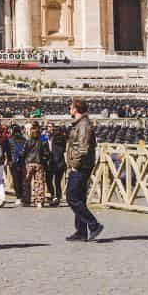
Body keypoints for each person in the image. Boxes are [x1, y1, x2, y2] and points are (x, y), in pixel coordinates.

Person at [65, 98, 104, 242]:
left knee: (72, 196)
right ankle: (81, 232)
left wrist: (75, 164)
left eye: (71, 107)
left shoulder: (83, 125)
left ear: (75, 109)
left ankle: (94, 225)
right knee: (79, 198)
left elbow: (83, 148)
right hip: (80, 165)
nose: (69, 109)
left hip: (81, 166)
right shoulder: (80, 124)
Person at [22, 123, 49, 207]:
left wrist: (23, 162)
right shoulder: (43, 142)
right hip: (39, 163)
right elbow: (46, 153)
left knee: (26, 182)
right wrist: (44, 161)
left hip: (29, 163)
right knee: (39, 182)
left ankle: (26, 200)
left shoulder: (27, 142)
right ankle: (39, 201)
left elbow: (24, 153)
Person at [44, 122, 67, 206]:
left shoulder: (52, 139)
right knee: (57, 182)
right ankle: (57, 196)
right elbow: (64, 149)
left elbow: (50, 150)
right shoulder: (62, 139)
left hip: (52, 162)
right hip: (60, 162)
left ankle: (54, 196)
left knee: (49, 180)